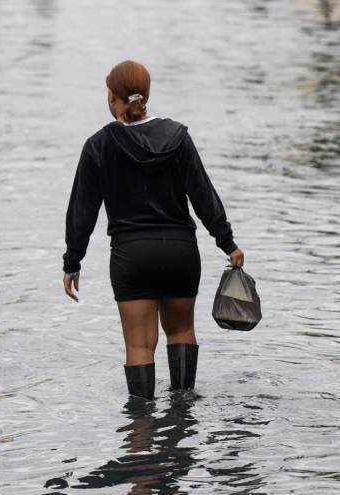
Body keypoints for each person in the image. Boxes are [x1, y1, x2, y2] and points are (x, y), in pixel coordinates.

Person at [62, 59, 244, 400]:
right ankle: (184, 421)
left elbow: (82, 211)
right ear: (145, 95)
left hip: (132, 256)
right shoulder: (177, 137)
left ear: (112, 97)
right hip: (180, 252)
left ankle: (141, 436)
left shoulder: (98, 145)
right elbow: (203, 194)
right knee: (182, 331)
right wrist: (227, 243)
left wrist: (73, 262)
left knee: (139, 345)